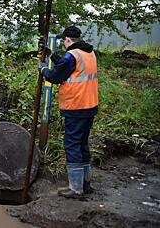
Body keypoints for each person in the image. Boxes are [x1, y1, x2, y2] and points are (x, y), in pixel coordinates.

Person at [39, 25, 99, 199]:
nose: (63, 43)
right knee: (82, 144)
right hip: (90, 106)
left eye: (63, 41)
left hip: (76, 107)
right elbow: (68, 68)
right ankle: (86, 184)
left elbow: (55, 76)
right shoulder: (88, 53)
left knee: (72, 144)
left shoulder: (72, 55)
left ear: (67, 40)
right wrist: (52, 56)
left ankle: (75, 188)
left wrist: (43, 69)